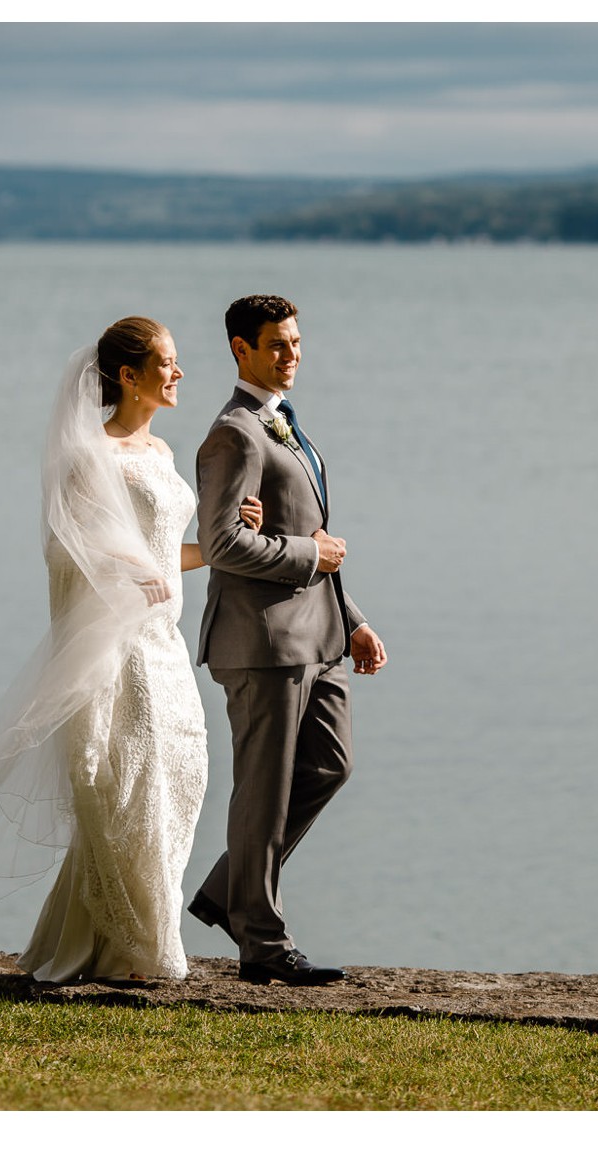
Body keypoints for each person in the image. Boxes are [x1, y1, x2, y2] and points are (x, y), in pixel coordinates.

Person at [0, 316, 262, 983]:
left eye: (176, 360)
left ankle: (101, 934)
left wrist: (230, 535)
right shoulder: (88, 455)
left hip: (164, 642)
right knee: (129, 786)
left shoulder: (164, 455)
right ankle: (141, 949)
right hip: (119, 647)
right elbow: (67, 548)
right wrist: (123, 570)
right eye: (166, 362)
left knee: (182, 774)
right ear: (129, 376)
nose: (179, 372)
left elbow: (167, 558)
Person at [185, 294, 388, 986]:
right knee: (263, 794)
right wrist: (309, 556)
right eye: (277, 344)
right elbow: (222, 542)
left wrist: (353, 617)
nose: (292, 354)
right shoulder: (235, 434)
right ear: (241, 349)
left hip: (320, 635)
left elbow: (309, 536)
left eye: (296, 342)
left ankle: (227, 892)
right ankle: (262, 946)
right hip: (262, 643)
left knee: (331, 764)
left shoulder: (284, 426)